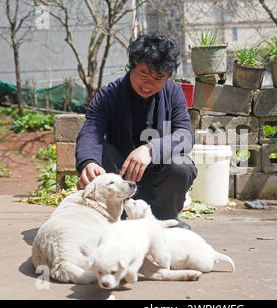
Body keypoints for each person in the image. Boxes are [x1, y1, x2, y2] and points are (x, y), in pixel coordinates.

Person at [75, 32, 196, 229]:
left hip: (159, 182)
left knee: (181, 165)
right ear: (132, 67)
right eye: (143, 74)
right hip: (120, 179)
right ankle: (113, 220)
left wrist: (150, 150)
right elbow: (91, 131)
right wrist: (89, 162)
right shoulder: (108, 95)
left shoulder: (173, 93)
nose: (148, 84)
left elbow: (185, 136)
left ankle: (164, 222)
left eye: (158, 78)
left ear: (167, 78)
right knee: (101, 152)